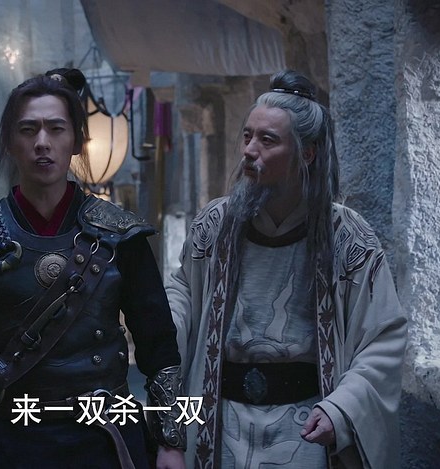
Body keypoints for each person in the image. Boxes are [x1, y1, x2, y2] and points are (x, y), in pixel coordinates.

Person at [0, 68, 187, 469]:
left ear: (77, 141)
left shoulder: (119, 234)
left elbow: (158, 340)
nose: (42, 142)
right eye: (28, 129)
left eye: (56, 128)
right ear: (10, 142)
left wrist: (171, 441)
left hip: (106, 438)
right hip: (18, 440)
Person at [165, 70, 407, 468]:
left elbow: (383, 337)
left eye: (267, 140)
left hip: (306, 428)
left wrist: (341, 409)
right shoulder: (215, 225)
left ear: (306, 153)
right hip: (219, 421)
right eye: (247, 136)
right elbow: (182, 299)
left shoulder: (347, 237)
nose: (249, 150)